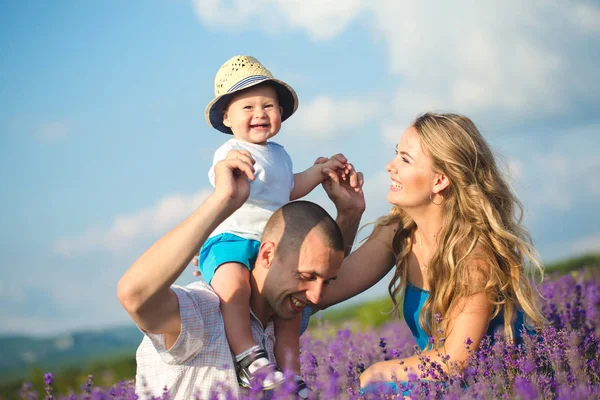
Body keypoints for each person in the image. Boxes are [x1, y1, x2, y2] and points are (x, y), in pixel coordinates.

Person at [315, 112, 547, 396]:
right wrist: (348, 214)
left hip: (498, 385)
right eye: (395, 155)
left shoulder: (474, 258)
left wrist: (376, 372)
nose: (390, 167)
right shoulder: (397, 233)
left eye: (405, 159)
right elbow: (323, 291)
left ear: (440, 181)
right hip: (436, 384)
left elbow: (456, 361)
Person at [117, 152, 365, 399]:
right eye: (305, 276)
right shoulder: (204, 313)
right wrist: (221, 200)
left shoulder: (281, 322)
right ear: (267, 255)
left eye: (326, 281)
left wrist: (351, 214)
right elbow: (135, 294)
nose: (317, 296)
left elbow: (342, 261)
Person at [200, 55, 353, 390]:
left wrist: (319, 172)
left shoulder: (281, 155)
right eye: (248, 107)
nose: (260, 114)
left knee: (291, 311)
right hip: (233, 240)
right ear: (227, 117)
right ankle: (248, 358)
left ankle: (290, 373)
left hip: (275, 246)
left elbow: (289, 188)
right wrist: (231, 165)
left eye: (269, 106)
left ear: (280, 114)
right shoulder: (230, 151)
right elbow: (221, 180)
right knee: (235, 288)